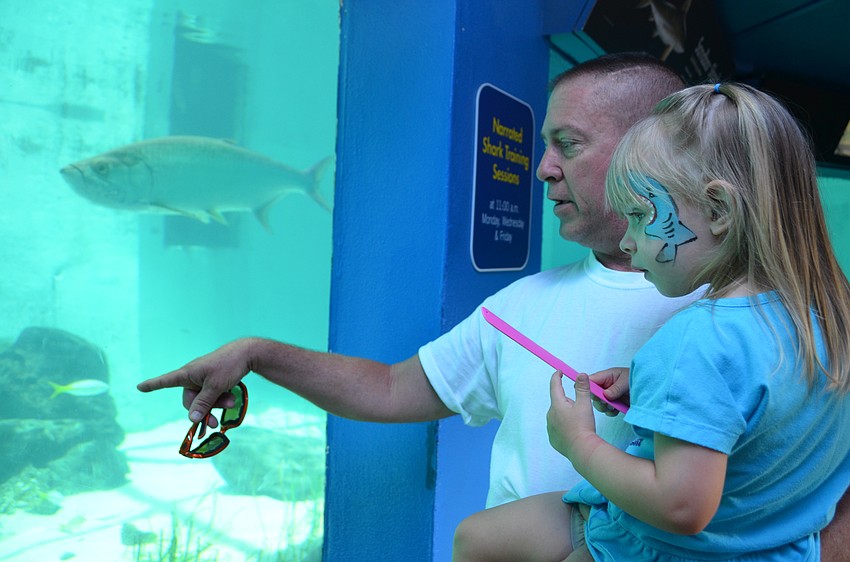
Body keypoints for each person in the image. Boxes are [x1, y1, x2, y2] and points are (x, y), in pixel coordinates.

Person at [136, 55, 850, 558]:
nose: (542, 167)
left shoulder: (754, 318)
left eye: (566, 144)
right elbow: (388, 388)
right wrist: (259, 354)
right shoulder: (523, 307)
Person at [452, 82, 850, 562]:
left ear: (719, 211)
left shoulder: (698, 340)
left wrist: (578, 443)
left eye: (641, 216)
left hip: (657, 546)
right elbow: (756, 414)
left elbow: (680, 507)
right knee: (479, 537)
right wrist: (648, 386)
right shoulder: (823, 318)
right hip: (767, 540)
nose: (627, 242)